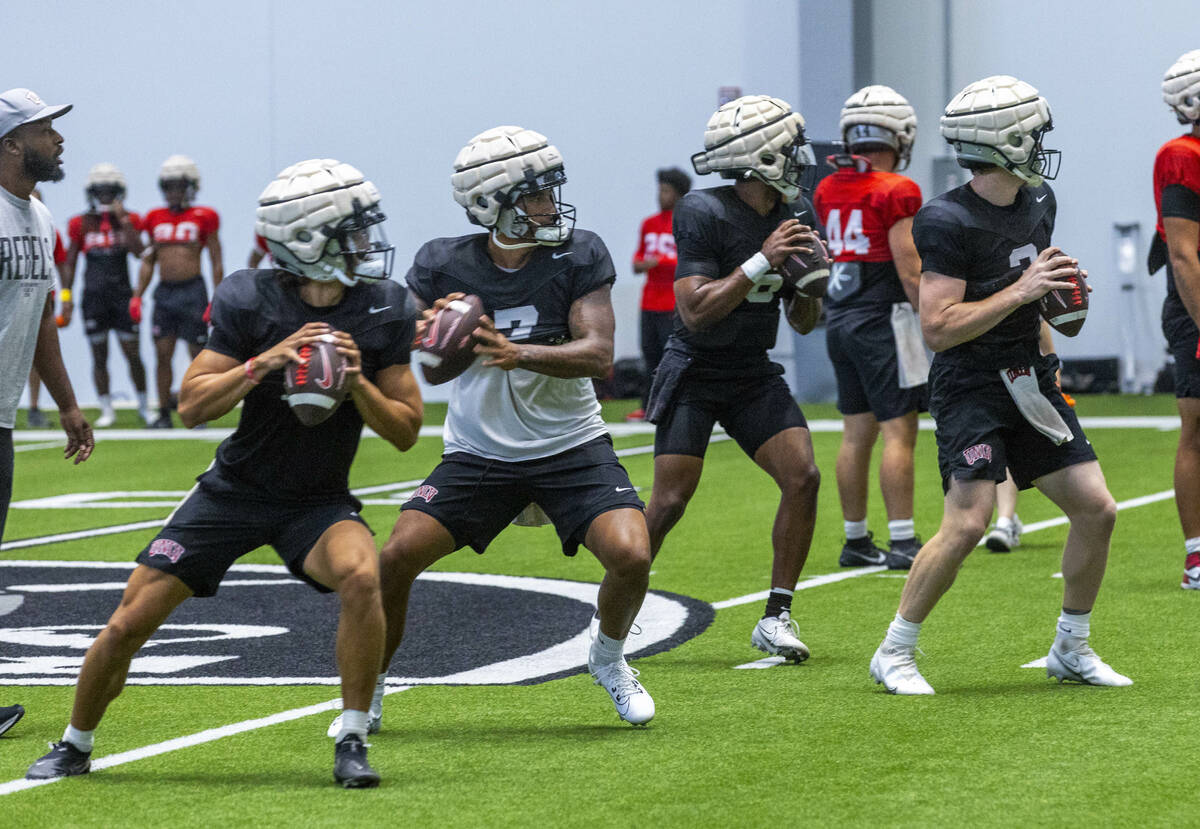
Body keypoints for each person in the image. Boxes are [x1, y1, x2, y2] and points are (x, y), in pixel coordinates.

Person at [27, 159, 423, 788]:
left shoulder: (383, 307)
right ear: (307, 239)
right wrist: (263, 362)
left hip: (316, 501)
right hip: (233, 492)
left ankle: (351, 736)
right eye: (351, 230)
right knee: (130, 619)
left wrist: (357, 386)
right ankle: (75, 742)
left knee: (362, 574)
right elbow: (190, 406)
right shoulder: (249, 296)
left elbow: (405, 431)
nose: (366, 243)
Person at [329, 125, 655, 734]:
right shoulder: (441, 263)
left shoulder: (578, 253)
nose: (551, 204)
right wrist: (438, 336)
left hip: (570, 445)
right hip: (480, 453)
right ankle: (370, 686)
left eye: (551, 190)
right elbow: (431, 370)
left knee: (633, 555)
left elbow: (600, 353)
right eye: (536, 194)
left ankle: (607, 658)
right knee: (395, 558)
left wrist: (516, 352)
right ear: (492, 203)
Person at [869, 76, 1129, 694]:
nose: (1042, 143)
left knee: (1097, 508)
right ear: (1006, 140)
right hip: (971, 383)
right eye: (1034, 133)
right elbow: (937, 327)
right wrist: (1024, 290)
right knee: (968, 521)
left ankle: (1072, 645)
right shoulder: (945, 219)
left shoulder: (1039, 200)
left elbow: (1041, 297)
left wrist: (1057, 320)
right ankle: (894, 650)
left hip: (1028, 376)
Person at [642, 95, 823, 662]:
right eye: (790, 148)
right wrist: (764, 259)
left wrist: (812, 286)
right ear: (762, 156)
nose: (801, 157)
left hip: (751, 371)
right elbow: (694, 311)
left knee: (803, 476)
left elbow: (803, 320)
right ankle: (616, 606)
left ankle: (776, 615)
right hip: (696, 368)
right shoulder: (703, 211)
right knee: (670, 500)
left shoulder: (800, 212)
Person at [813, 85, 927, 571]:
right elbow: (909, 268)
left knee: (856, 432)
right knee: (899, 430)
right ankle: (903, 539)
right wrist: (937, 320)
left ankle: (855, 538)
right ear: (898, 134)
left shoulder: (827, 186)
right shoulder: (897, 189)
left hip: (839, 317)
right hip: (884, 318)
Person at [0, 87, 94, 539]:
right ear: (11, 144)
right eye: (44, 130)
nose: (58, 140)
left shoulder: (40, 216)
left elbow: (40, 316)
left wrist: (68, 404)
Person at [1153, 49, 1200, 591]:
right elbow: (1184, 254)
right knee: (1197, 425)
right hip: (1194, 302)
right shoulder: (1181, 155)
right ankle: (1196, 554)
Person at [135, 155, 223, 428]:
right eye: (169, 186)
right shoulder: (154, 217)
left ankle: (198, 410)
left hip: (193, 291)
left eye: (179, 186)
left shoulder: (205, 216)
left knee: (199, 356)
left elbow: (216, 260)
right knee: (162, 354)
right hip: (165, 293)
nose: (173, 192)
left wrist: (217, 299)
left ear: (191, 187)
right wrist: (137, 294)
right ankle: (163, 412)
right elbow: (149, 260)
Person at [62, 163, 152, 427]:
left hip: (122, 296)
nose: (105, 195)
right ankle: (107, 409)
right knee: (98, 355)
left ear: (118, 192)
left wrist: (122, 220)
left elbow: (140, 253)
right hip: (93, 297)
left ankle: (144, 405)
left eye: (110, 191)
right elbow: (70, 261)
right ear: (91, 192)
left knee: (132, 353)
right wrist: (66, 297)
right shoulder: (80, 223)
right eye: (100, 191)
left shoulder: (131, 219)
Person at [628, 167, 691, 421]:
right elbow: (636, 263)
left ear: (678, 194)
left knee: (673, 357)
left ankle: (675, 404)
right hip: (649, 302)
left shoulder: (686, 222)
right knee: (649, 354)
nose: (660, 195)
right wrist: (658, 262)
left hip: (673, 303)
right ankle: (647, 406)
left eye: (665, 190)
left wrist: (657, 262)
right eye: (660, 190)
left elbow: (683, 262)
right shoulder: (649, 224)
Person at [26, 190, 68, 429]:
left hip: (43, 303)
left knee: (39, 357)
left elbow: (62, 267)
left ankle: (33, 408)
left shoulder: (49, 230)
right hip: (13, 302)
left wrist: (66, 298)